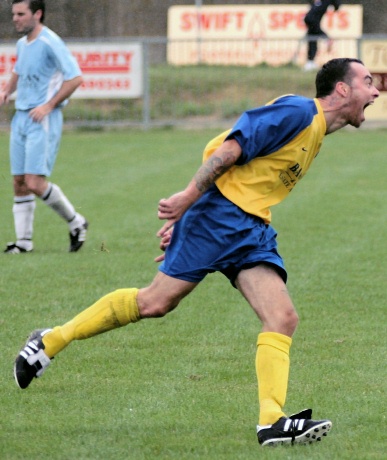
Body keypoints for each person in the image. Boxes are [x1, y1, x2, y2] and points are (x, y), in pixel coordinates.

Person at [13, 58, 378, 447]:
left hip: (250, 228)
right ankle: (50, 341)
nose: (375, 91)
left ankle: (272, 421)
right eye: (368, 82)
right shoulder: (299, 112)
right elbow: (229, 148)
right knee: (155, 302)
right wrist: (188, 201)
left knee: (282, 317)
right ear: (342, 89)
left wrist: (188, 215)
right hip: (219, 217)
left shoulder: (316, 131)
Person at [0, 0, 88, 254]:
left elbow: (76, 78)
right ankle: (24, 242)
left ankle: (77, 222)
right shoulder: (21, 43)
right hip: (21, 117)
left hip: (42, 119)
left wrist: (48, 106)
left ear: (37, 14)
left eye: (20, 14)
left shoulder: (51, 42)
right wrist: (7, 90)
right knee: (18, 181)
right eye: (13, 14)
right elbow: (18, 70)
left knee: (35, 182)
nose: (15, 19)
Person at [303, 0, 341, 71]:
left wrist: (336, 7)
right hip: (311, 18)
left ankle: (310, 61)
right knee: (312, 39)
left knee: (313, 32)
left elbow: (336, 3)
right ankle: (310, 61)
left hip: (312, 18)